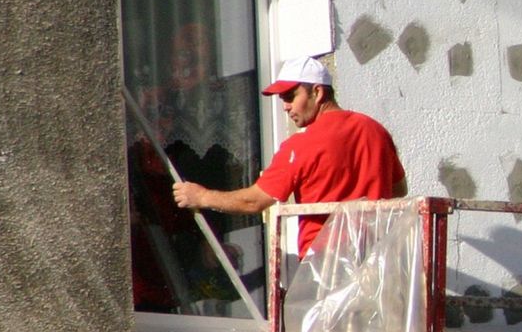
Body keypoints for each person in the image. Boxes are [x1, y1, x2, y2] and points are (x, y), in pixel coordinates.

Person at [172, 56, 406, 257]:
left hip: (326, 264)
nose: (285, 106)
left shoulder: (301, 145)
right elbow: (398, 190)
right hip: (377, 259)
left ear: (317, 92)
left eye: (290, 96)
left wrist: (202, 196)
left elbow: (254, 201)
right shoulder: (375, 130)